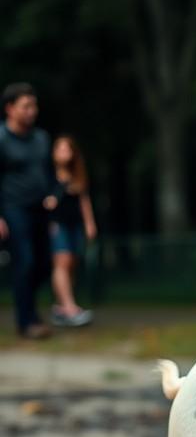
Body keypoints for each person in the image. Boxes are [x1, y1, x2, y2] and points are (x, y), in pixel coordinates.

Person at [0, 82, 55, 339]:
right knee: (25, 262)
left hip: (40, 209)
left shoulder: (41, 139)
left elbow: (49, 173)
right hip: (13, 208)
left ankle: (30, 311)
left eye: (34, 105)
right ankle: (27, 322)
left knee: (43, 265)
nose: (32, 111)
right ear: (10, 109)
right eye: (26, 106)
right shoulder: (1, 138)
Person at [48, 135, 96, 327]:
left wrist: (89, 223)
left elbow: (84, 201)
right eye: (60, 149)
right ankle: (70, 307)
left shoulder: (77, 177)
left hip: (74, 224)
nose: (63, 153)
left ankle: (61, 306)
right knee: (62, 261)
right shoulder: (48, 175)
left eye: (67, 149)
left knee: (71, 263)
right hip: (56, 224)